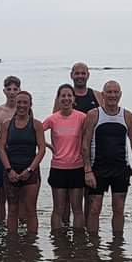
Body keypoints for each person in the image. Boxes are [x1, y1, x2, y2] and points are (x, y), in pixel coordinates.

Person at [81, 80, 132, 234]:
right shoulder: (94, 115)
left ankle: (117, 246)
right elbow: (85, 144)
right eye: (109, 92)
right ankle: (93, 246)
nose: (112, 95)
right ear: (103, 94)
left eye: (116, 92)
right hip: (98, 169)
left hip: (120, 169)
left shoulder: (127, 116)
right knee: (94, 209)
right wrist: (87, 170)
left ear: (120, 95)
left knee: (119, 208)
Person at [0, 90, 46, 233]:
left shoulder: (36, 125)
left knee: (30, 209)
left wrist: (30, 169)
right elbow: (1, 147)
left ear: (30, 104)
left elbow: (41, 150)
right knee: (12, 209)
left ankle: (31, 244)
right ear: (15, 104)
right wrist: (8, 170)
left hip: (31, 171)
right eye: (19, 102)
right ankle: (12, 243)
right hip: (11, 170)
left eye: (25, 102)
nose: (22, 105)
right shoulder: (6, 124)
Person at [42, 84, 87, 230]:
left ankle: (80, 243)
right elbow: (34, 132)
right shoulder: (52, 119)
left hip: (77, 167)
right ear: (58, 99)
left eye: (69, 96)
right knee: (58, 209)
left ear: (73, 99)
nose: (66, 99)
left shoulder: (82, 117)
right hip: (58, 168)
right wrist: (47, 146)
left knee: (77, 209)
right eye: (63, 96)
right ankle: (58, 244)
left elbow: (91, 137)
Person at [0, 75, 20, 226]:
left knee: (18, 195)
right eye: (9, 89)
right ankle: (0, 225)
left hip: (20, 156)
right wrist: (2, 151)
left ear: (20, 90)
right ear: (4, 91)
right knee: (1, 194)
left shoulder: (24, 109)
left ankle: (19, 224)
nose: (12, 92)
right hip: (2, 155)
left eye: (15, 89)